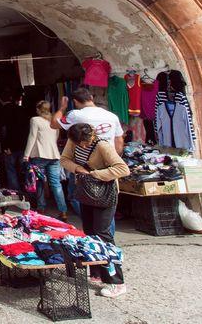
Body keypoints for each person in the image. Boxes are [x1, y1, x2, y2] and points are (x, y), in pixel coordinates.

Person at [60, 123, 129, 298]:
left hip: (105, 195)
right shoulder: (73, 141)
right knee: (90, 232)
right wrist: (78, 168)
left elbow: (123, 169)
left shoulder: (102, 145)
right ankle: (97, 272)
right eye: (79, 144)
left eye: (85, 143)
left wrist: (95, 174)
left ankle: (117, 281)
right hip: (86, 193)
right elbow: (64, 159)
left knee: (103, 234)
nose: (82, 147)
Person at [24, 100, 68, 221]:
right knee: (56, 184)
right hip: (54, 155)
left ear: (38, 109)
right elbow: (56, 137)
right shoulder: (54, 120)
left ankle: (41, 207)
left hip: (39, 155)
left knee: (39, 182)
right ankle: (63, 211)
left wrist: (26, 154)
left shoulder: (35, 120)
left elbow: (32, 137)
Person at [50, 88, 124, 154]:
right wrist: (115, 160)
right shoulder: (112, 116)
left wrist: (62, 108)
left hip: (86, 161)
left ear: (75, 101)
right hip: (109, 158)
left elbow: (53, 124)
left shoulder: (75, 115)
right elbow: (119, 141)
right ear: (91, 98)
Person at [0, 92, 29, 190]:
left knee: (11, 169)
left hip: (10, 146)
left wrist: (5, 146)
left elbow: (4, 130)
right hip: (23, 145)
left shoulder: (4, 111)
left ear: (0, 100)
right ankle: (28, 188)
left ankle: (16, 191)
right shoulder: (21, 109)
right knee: (24, 168)